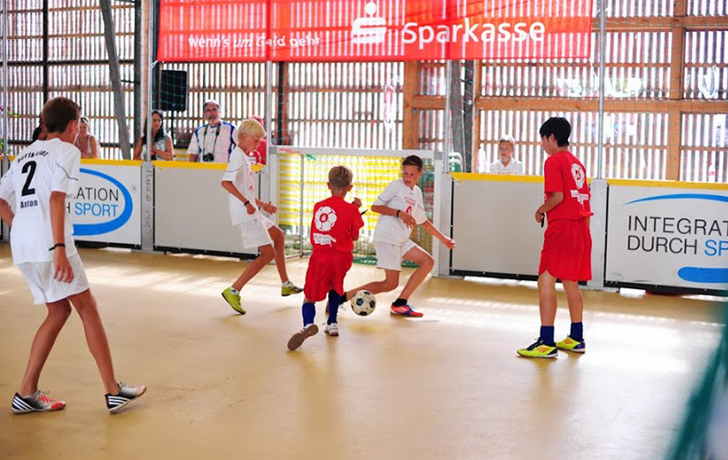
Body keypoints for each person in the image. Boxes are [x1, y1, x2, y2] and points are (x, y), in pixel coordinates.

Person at [0, 96, 146, 413]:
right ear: (72, 125)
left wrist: (22, 227)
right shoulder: (67, 151)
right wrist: (58, 249)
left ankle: (26, 392)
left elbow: (0, 201)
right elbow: (55, 198)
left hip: (22, 246)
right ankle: (112, 390)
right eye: (79, 123)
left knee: (58, 312)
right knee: (87, 307)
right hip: (49, 243)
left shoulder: (23, 155)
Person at [339, 155, 455, 318]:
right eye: (405, 173)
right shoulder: (395, 186)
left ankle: (400, 303)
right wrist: (398, 213)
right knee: (390, 284)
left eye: (411, 174)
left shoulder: (417, 193)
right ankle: (339, 298)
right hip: (387, 237)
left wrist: (444, 239)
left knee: (428, 261)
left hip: (401, 239)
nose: (407, 178)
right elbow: (375, 207)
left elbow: (423, 221)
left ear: (420, 174)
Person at [517, 117, 593, 359]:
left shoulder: (553, 162)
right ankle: (576, 337)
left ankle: (546, 341)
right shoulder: (577, 164)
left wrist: (540, 210)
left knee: (545, 280)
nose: (542, 145)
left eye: (543, 139)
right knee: (571, 282)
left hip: (562, 228)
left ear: (551, 137)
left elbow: (557, 197)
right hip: (581, 227)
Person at [220, 118, 303, 314]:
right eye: (256, 141)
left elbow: (244, 189)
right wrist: (248, 204)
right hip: (245, 213)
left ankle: (285, 283)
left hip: (251, 209)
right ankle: (234, 289)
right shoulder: (237, 156)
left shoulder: (244, 156)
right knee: (268, 253)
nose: (258, 145)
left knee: (279, 236)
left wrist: (260, 204)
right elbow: (226, 183)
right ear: (244, 137)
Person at [287, 166, 364, 351]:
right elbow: (354, 236)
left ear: (328, 185)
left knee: (310, 296)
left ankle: (307, 325)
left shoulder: (319, 206)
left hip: (320, 256)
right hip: (341, 257)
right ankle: (332, 323)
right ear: (350, 188)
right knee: (336, 286)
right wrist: (355, 209)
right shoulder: (352, 210)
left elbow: (330, 221)